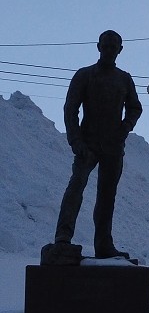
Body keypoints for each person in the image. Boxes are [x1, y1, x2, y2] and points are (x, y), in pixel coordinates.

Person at [53, 30, 142, 259]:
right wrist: (76, 141)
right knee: (76, 187)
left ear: (120, 50)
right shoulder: (84, 75)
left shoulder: (124, 79)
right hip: (88, 144)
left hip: (113, 146)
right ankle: (63, 237)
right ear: (98, 47)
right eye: (106, 46)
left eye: (114, 47)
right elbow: (70, 109)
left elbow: (135, 107)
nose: (109, 50)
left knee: (106, 197)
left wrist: (125, 127)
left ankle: (104, 245)